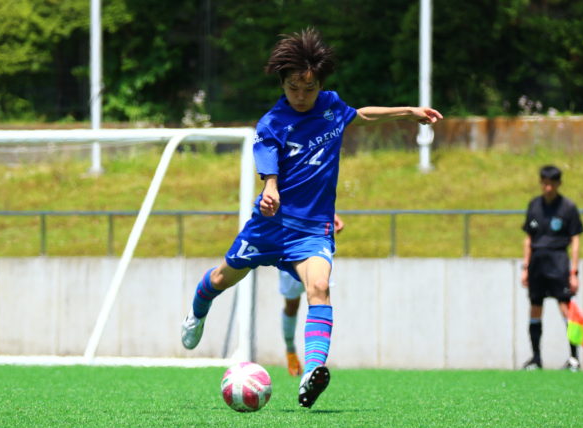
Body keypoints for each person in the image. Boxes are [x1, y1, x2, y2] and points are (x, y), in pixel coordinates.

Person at [181, 27, 442, 408]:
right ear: (282, 84)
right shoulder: (273, 122)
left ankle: (312, 371)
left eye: (309, 88)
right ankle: (196, 313)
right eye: (293, 88)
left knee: (319, 287)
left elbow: (361, 115)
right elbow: (267, 162)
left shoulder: (331, 106)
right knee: (221, 278)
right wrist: (270, 187)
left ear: (320, 84)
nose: (301, 96)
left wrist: (409, 112)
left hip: (311, 230)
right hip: (271, 226)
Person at [520, 165, 583, 371]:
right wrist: (525, 267)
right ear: (541, 183)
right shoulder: (534, 205)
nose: (548, 188)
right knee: (535, 307)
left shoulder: (568, 207)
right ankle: (536, 358)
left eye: (552, 184)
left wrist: (574, 272)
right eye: (545, 184)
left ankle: (574, 358)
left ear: (558, 184)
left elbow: (575, 240)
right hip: (537, 262)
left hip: (558, 260)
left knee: (566, 307)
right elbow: (528, 238)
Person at [281, 213, 344, 377]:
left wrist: (330, 213)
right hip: (289, 243)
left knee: (320, 291)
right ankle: (290, 350)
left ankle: (314, 365)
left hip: (316, 240)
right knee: (292, 305)